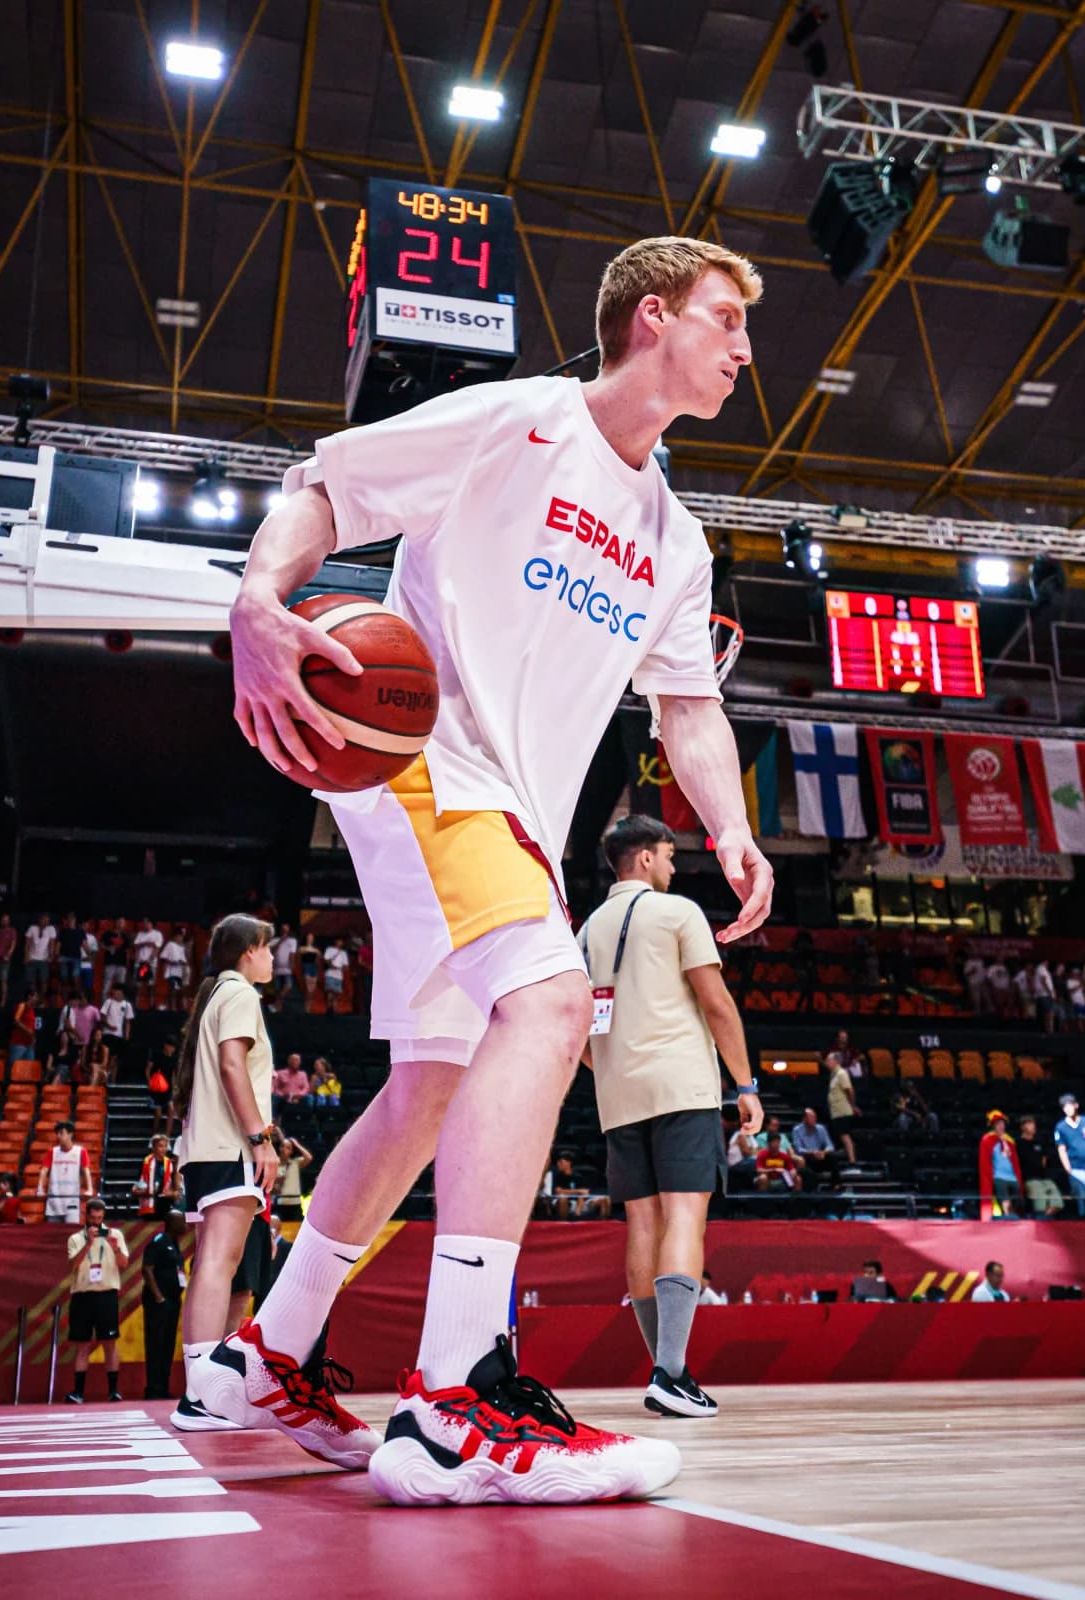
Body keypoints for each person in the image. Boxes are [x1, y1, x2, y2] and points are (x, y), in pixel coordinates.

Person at [212, 233, 768, 1505]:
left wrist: (730, 826)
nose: (744, 351)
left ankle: (268, 1349)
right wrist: (257, 597)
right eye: (726, 318)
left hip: (507, 804)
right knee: (554, 1002)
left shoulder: (677, 541)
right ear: (650, 320)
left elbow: (688, 706)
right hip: (422, 751)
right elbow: (327, 486)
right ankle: (456, 1395)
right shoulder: (521, 424)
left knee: (429, 1089)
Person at [578, 813, 760, 1419]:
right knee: (685, 1218)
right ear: (647, 859)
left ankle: (666, 1371)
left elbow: (576, 1032)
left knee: (641, 1228)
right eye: (670, 854)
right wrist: (746, 1084)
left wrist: (610, 1067)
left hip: (617, 1095)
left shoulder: (584, 932)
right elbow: (716, 1002)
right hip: (682, 1086)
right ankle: (671, 1373)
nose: (676, 866)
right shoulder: (678, 912)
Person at [166, 914, 329, 1442]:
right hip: (227, 1146)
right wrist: (260, 1138)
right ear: (250, 950)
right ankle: (200, 1393)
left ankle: (201, 1389)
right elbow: (234, 1067)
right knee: (219, 1261)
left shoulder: (218, 995)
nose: (272, 959)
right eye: (268, 949)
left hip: (204, 1146)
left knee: (214, 1262)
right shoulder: (239, 994)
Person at [64, 1197, 128, 1402]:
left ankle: (113, 1390)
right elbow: (72, 1266)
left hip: (106, 1294)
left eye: (99, 1219)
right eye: (92, 1219)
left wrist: (115, 1247)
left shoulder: (115, 1234)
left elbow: (124, 1264)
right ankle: (79, 1392)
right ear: (86, 1216)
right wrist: (88, 1244)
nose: (96, 1223)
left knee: (110, 1343)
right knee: (82, 1345)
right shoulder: (75, 1238)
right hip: (82, 1295)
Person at [140, 1203, 186, 1400]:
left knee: (167, 1344)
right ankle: (153, 1388)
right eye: (181, 1221)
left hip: (173, 1301)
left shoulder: (175, 1243)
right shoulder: (159, 1241)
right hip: (158, 1302)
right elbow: (147, 1268)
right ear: (171, 1223)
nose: (185, 1224)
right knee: (156, 1343)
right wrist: (158, 1296)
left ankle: (163, 1386)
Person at [37, 1119, 94, 1223]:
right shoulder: (52, 1152)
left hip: (72, 1200)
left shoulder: (80, 1151)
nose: (58, 1136)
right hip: (54, 1201)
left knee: (71, 1234)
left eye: (61, 1133)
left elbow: (86, 1170)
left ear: (70, 1134)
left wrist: (89, 1189)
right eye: (57, 1133)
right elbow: (44, 1171)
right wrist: (40, 1188)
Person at [540, 1149, 611, 1220]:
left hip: (580, 1202)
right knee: (562, 1199)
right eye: (558, 1162)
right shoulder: (557, 1176)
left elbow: (585, 1192)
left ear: (568, 1163)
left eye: (561, 1162)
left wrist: (579, 1198)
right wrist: (577, 1191)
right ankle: (563, 1225)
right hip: (565, 1202)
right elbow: (558, 1191)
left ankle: (602, 1225)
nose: (558, 1164)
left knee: (605, 1199)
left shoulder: (578, 1176)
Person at [1016, 1113, 1063, 1218]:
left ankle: (1044, 1218)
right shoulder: (1018, 1143)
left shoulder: (1039, 1142)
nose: (1033, 1126)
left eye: (1033, 1123)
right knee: (1040, 1203)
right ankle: (1041, 1220)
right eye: (1029, 1123)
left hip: (1043, 1178)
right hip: (1029, 1179)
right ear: (1023, 1126)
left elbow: (1044, 1160)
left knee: (1058, 1202)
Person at [977, 1110, 1021, 1220]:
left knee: (1017, 1200)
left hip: (1012, 1177)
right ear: (993, 1126)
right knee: (1005, 1199)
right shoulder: (987, 1139)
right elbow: (985, 1161)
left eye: (1002, 1123)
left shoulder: (1010, 1141)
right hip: (998, 1176)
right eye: (998, 1124)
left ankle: (1012, 1218)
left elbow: (1015, 1161)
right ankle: (1008, 1219)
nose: (1001, 1126)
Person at [134, 1132, 180, 1209]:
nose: (163, 1149)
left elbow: (175, 1187)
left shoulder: (170, 1163)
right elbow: (140, 1181)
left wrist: (173, 1193)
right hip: (149, 1200)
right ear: (154, 1147)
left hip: (165, 1202)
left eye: (165, 1146)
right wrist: (137, 1189)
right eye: (160, 1146)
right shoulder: (146, 1162)